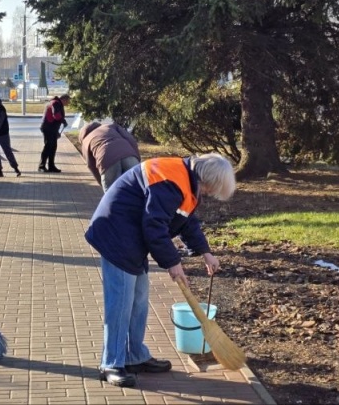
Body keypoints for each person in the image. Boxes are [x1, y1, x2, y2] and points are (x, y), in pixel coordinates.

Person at [84, 154, 236, 387]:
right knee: (121, 305)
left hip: (133, 237)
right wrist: (173, 263)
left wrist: (205, 252)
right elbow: (154, 226)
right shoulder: (171, 182)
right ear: (208, 179)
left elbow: (186, 220)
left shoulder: (186, 179)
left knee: (138, 301)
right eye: (211, 189)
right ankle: (111, 363)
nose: (209, 194)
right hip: (116, 235)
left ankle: (135, 356)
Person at [78, 121, 141, 192]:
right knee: (138, 188)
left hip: (107, 161)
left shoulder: (85, 141)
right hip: (129, 155)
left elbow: (91, 165)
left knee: (112, 193)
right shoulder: (110, 126)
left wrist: (101, 181)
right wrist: (137, 158)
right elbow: (131, 140)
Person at [38, 94, 70, 172]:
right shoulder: (55, 103)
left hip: (51, 128)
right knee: (48, 146)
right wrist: (63, 121)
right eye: (68, 101)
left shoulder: (55, 102)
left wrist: (57, 130)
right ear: (64, 99)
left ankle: (51, 166)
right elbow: (56, 115)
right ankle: (41, 167)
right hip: (48, 128)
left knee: (52, 147)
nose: (68, 103)